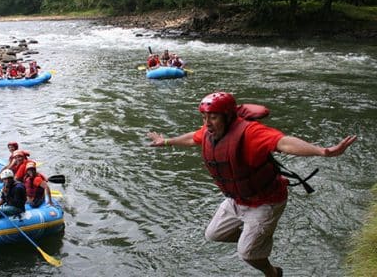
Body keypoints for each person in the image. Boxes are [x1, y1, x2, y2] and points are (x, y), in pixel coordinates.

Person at [146, 91, 356, 276]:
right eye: (204, 117)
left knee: (246, 253)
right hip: (237, 200)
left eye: (213, 117)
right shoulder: (211, 132)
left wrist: (322, 152)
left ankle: (273, 273)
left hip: (267, 201)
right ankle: (256, 239)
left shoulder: (250, 133)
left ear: (228, 117)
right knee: (213, 234)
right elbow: (194, 138)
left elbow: (283, 142)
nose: (207, 123)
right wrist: (166, 142)